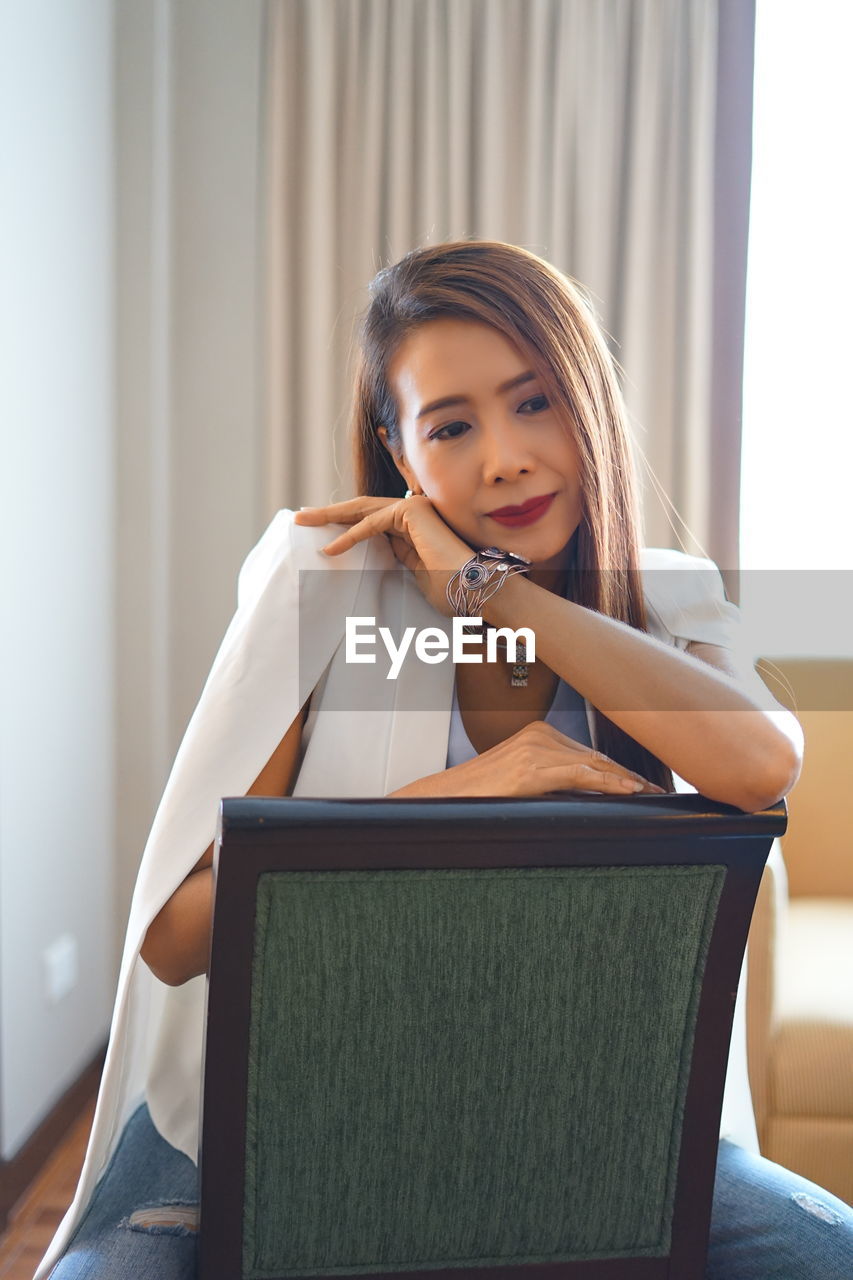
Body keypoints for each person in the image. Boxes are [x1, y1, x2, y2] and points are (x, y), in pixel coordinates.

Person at [39, 241, 852, 1279]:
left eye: (534, 402)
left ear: (588, 402)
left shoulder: (667, 597)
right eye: (452, 426)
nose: (503, 456)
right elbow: (173, 934)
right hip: (271, 1111)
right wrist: (460, 795)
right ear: (398, 447)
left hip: (569, 1126)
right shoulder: (318, 578)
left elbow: (757, 760)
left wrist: (492, 588)